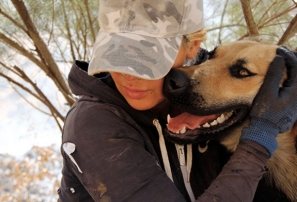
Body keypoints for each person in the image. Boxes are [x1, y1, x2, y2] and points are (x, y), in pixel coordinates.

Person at [58, 0, 297, 201]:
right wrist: (259, 139)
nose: (127, 74)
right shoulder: (93, 125)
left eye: (145, 56)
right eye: (117, 54)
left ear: (192, 46)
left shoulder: (200, 81)